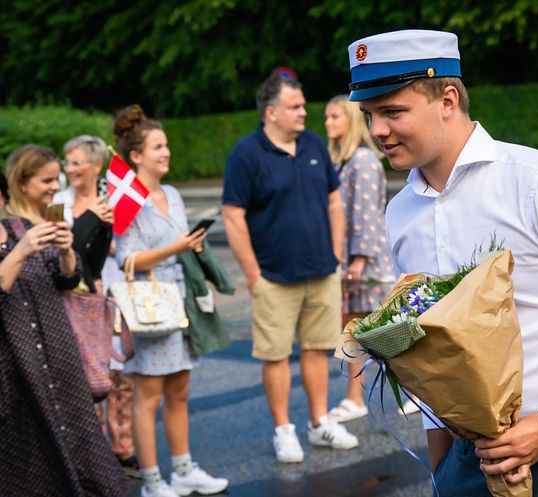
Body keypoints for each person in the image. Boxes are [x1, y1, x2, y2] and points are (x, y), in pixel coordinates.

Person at [346, 30, 538, 496]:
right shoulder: (401, 213)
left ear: (448, 99)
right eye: (369, 115)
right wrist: (445, 471)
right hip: (467, 461)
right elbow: (427, 350)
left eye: (393, 112)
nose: (377, 131)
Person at [222, 73, 358, 464]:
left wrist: (334, 256)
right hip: (273, 277)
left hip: (321, 272)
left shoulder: (313, 144)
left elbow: (334, 203)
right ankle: (284, 430)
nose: (304, 112)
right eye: (295, 107)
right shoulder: (246, 155)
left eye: (302, 106)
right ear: (271, 112)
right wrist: (252, 275)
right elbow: (232, 216)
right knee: (276, 355)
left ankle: (318, 423)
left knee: (317, 349)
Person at [0, 144, 133, 497]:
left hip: (57, 358)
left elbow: (67, 280)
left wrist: (64, 250)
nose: (53, 186)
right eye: (45, 180)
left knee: (87, 455)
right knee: (33, 464)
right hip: (15, 369)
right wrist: (21, 252)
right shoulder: (22, 238)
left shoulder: (20, 227)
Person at [113, 104, 228, 497]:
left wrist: (188, 246)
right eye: (157, 147)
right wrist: (175, 246)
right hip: (150, 304)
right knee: (147, 397)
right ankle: (151, 481)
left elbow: (174, 244)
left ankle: (182, 470)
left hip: (181, 303)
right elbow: (126, 259)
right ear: (136, 156)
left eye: (166, 146)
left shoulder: (173, 194)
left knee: (180, 391)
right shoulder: (129, 199)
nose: (166, 152)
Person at [324, 94, 416, 422]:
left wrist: (359, 259)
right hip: (352, 258)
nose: (328, 123)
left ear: (350, 121)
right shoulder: (342, 161)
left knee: (376, 330)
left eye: (335, 117)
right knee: (357, 330)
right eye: (326, 118)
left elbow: (366, 214)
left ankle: (412, 393)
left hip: (363, 260)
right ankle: (356, 397)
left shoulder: (361, 161)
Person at [53, 134, 140, 478]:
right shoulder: (58, 200)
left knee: (118, 373)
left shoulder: (114, 199)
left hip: (109, 293)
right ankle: (92, 449)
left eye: (75, 162)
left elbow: (130, 243)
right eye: (67, 162)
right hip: (71, 298)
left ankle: (123, 445)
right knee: (81, 376)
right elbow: (61, 248)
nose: (69, 169)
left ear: (96, 166)